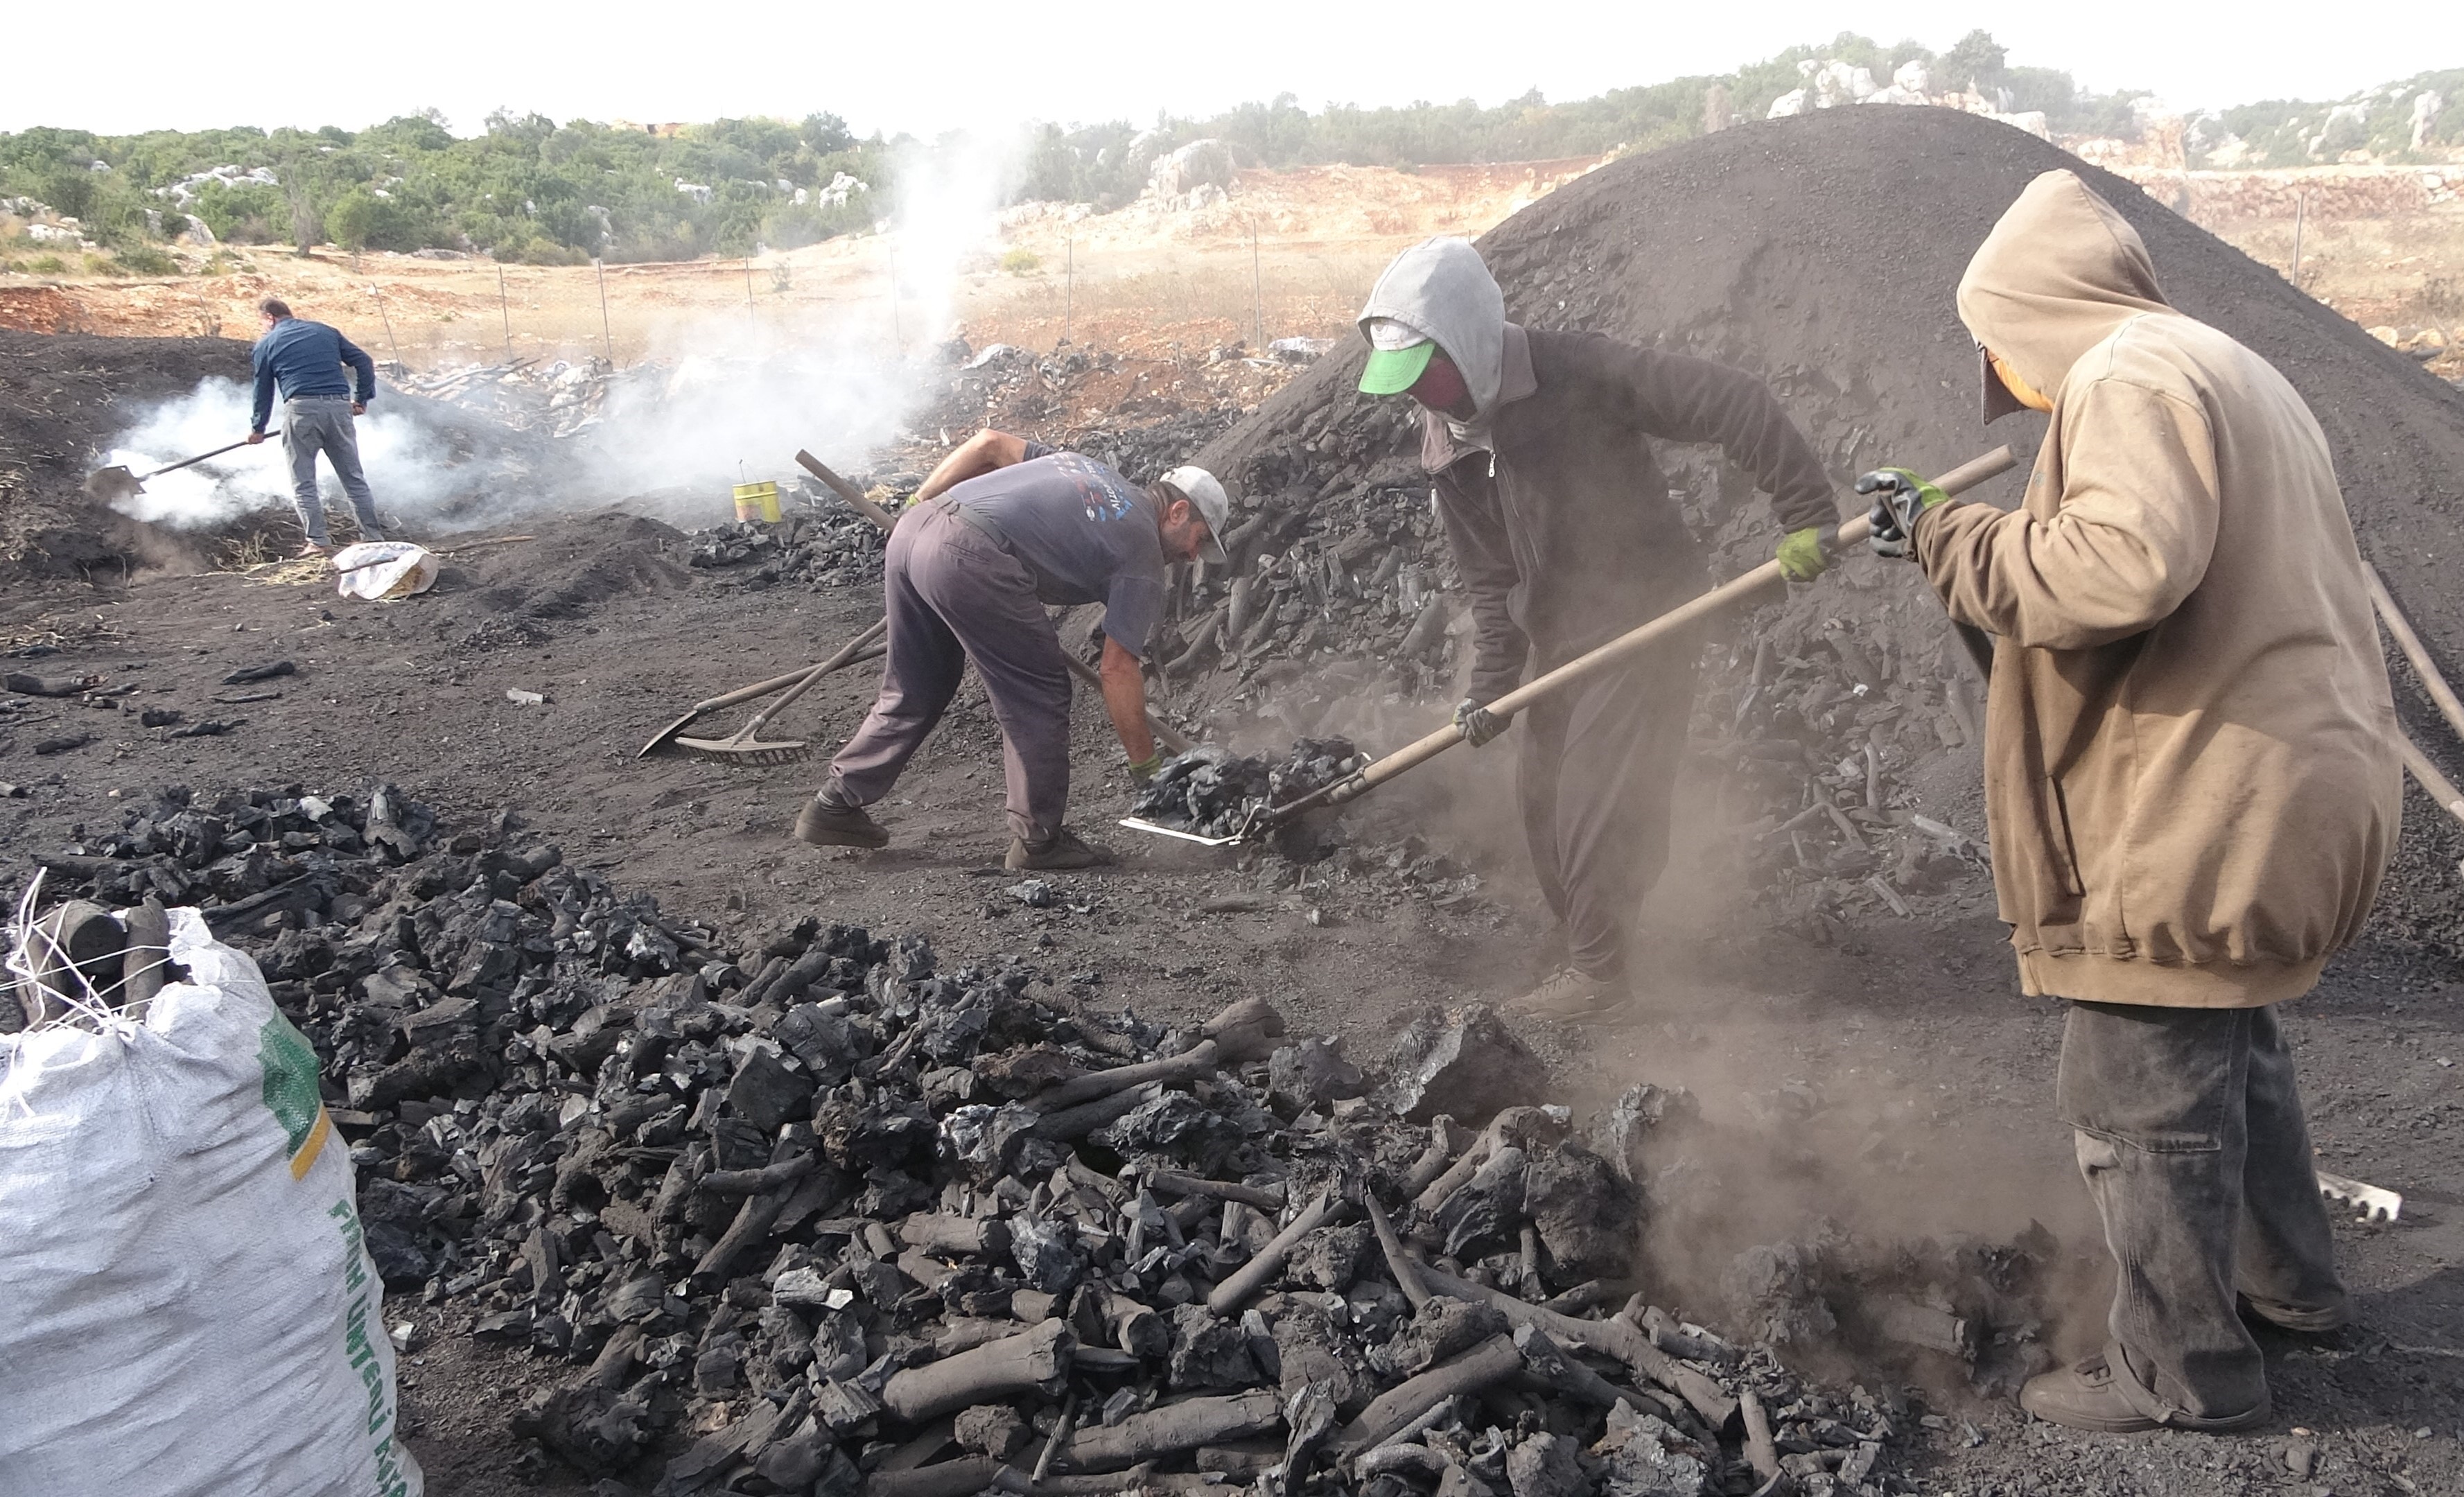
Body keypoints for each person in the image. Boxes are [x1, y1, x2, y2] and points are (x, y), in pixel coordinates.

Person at [1862, 169, 2400, 1433]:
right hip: (2290, 775)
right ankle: (2293, 1291)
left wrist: (1949, 537)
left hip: (2213, 787)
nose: (2007, 377)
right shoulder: (2225, 368)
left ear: (2031, 313)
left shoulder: (2126, 376)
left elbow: (2119, 570)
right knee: (2229, 1039)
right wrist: (1966, 533)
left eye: (2000, 346)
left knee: (2137, 1079)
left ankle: (2180, 1372)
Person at [1353, 236, 1839, 1022]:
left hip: (1646, 615)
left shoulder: (1577, 372)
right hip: (1560, 636)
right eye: (1406, 385)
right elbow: (1492, 580)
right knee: (1542, 805)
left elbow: (1735, 401)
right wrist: (1488, 689)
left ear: (1469, 344)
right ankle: (1594, 941)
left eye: (1429, 375)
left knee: (1595, 802)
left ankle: (1601, 976)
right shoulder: (1444, 443)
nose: (1426, 398)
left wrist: (1807, 513)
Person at [796, 430, 1229, 870]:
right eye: (1200, 540)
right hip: (969, 556)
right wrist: (1147, 771)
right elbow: (1117, 670)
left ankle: (835, 804)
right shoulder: (1143, 553)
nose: (1195, 556)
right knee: (1039, 695)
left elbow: (989, 443)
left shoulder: (1087, 467)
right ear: (1177, 512)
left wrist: (919, 503)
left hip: (913, 532)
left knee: (918, 686)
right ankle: (1039, 841)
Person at [245, 297, 386, 557]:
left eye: (263, 323)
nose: (264, 328)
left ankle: (318, 542)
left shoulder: (266, 344)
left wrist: (258, 428)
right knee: (353, 478)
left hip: (301, 411)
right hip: (339, 408)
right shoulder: (325, 331)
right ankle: (372, 537)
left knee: (303, 481)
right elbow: (364, 361)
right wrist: (362, 399)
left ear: (270, 318)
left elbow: (262, 390)